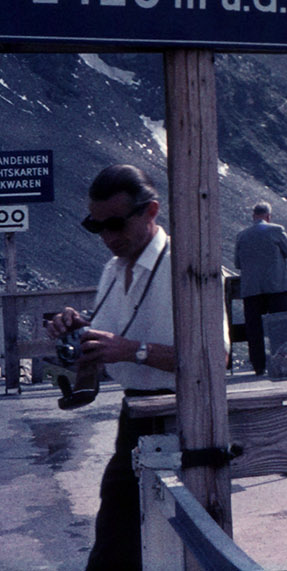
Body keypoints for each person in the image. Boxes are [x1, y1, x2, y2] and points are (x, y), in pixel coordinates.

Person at [48, 165, 177, 571]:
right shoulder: (113, 269)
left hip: (180, 417)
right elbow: (110, 347)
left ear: (151, 210)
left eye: (116, 224)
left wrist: (131, 351)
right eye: (96, 226)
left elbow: (215, 359)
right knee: (115, 543)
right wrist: (79, 334)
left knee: (168, 543)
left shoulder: (183, 267)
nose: (107, 237)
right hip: (135, 417)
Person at [234, 201, 287, 376]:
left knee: (254, 329)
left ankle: (258, 366)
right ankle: (281, 365)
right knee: (280, 327)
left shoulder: (242, 235)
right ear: (269, 216)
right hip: (276, 287)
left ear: (253, 216)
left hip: (251, 288)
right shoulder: (276, 230)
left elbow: (237, 263)